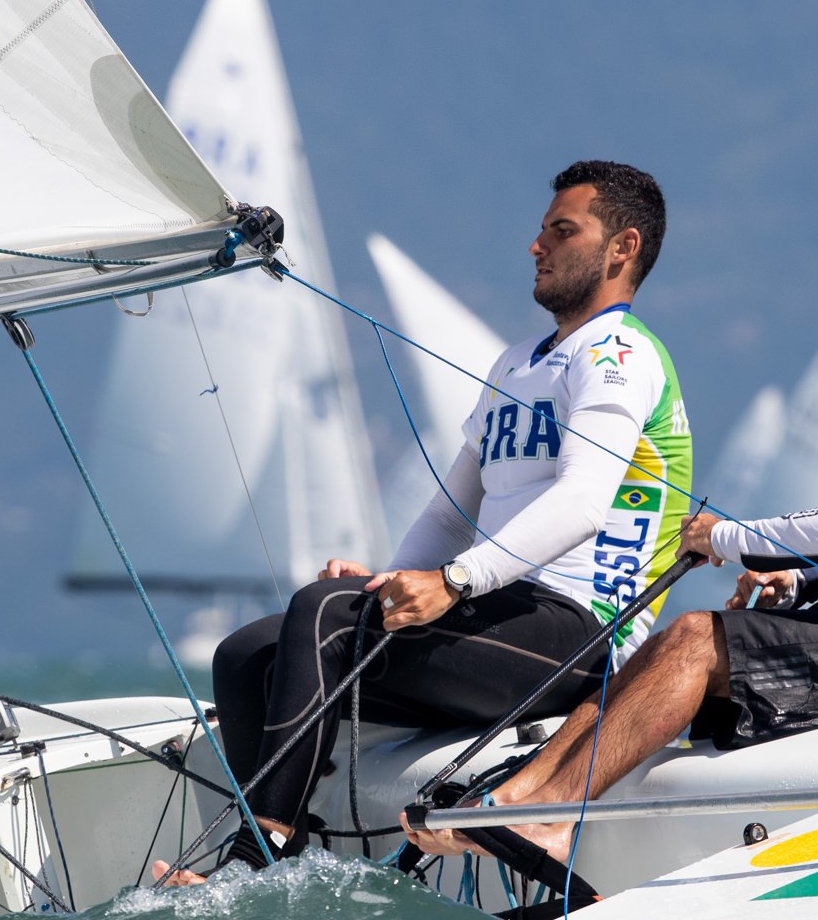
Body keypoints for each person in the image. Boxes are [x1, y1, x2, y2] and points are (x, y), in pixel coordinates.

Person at [408, 271, 818, 867]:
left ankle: (550, 814)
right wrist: (799, 579)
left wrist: (733, 538)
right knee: (660, 657)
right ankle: (515, 794)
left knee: (696, 639)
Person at [162, 160, 694, 881]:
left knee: (322, 614)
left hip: (582, 637)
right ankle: (289, 859)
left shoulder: (622, 355)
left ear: (622, 248)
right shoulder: (516, 364)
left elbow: (582, 502)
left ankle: (256, 860)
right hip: (502, 616)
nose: (536, 246)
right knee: (245, 654)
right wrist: (396, 582)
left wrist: (453, 582)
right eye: (541, 230)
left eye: (562, 231)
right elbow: (450, 511)